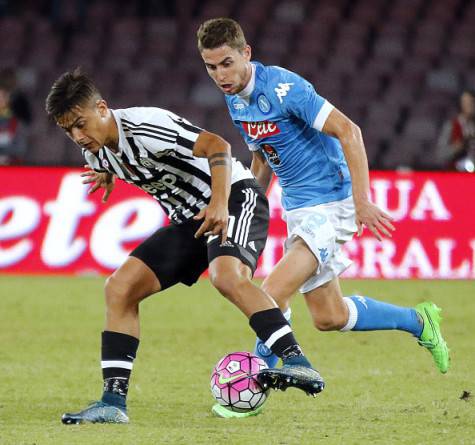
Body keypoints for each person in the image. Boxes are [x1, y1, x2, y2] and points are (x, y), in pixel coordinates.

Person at [196, 18, 450, 415]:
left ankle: (251, 384)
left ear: (246, 53)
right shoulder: (235, 100)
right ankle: (419, 321)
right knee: (328, 316)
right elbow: (263, 156)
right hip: (298, 208)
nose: (219, 75)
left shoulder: (283, 87)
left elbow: (350, 131)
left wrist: (362, 200)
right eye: (211, 67)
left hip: (333, 201)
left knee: (271, 292)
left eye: (226, 63)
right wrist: (249, 206)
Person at [45, 69, 324, 424]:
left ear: (102, 108)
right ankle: (112, 402)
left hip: (235, 196)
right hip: (190, 221)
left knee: (226, 276)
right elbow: (122, 158)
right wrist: (107, 172)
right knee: (119, 288)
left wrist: (220, 202)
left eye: (81, 124)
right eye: (68, 129)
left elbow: (217, 146)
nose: (77, 136)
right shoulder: (97, 152)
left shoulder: (147, 124)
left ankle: (298, 362)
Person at [436, 89, 475, 172]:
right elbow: (440, 154)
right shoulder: (451, 126)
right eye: (466, 102)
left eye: (472, 102)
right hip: (456, 174)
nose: (470, 105)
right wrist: (456, 148)